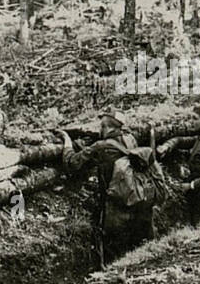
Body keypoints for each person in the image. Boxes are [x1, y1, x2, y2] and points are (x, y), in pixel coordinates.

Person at [62, 109, 157, 265]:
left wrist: (67, 142)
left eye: (102, 126)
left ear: (105, 126)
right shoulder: (131, 139)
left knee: (115, 255)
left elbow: (72, 163)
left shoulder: (100, 146)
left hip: (117, 207)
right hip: (138, 201)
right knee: (141, 254)